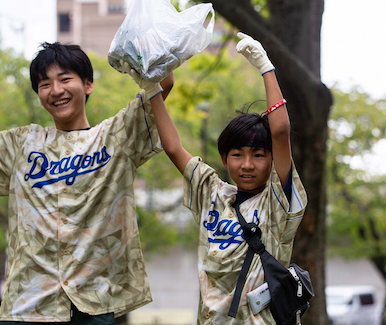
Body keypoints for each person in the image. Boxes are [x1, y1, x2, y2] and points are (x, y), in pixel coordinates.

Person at [0, 0, 173, 325]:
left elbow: (162, 82)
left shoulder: (117, 135)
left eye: (65, 79)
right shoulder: (23, 143)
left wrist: (158, 6)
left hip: (94, 301)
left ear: (87, 85)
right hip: (29, 305)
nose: (55, 89)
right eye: (44, 84)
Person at [123, 32, 308, 324]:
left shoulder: (278, 203)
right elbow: (172, 147)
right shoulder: (211, 192)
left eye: (259, 155)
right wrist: (152, 91)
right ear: (224, 159)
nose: (247, 164)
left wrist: (265, 68)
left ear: (272, 160)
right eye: (237, 154)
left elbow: (281, 132)